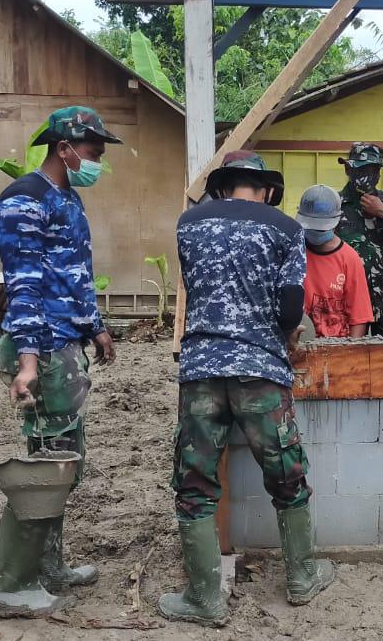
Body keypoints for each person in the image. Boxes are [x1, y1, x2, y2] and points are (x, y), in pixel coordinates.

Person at [160, 151, 334, 627]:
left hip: (200, 369)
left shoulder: (188, 223)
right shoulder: (285, 229)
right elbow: (290, 307)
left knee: (194, 484)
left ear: (222, 186)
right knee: (285, 473)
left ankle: (203, 598)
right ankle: (301, 578)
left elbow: (197, 288)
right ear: (266, 189)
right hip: (261, 370)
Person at [0, 105, 120, 618]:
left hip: (67, 340)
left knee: (64, 461)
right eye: (93, 150)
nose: (98, 159)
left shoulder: (68, 197)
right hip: (40, 345)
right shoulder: (24, 200)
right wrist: (27, 362)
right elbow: (23, 284)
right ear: (64, 149)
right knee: (42, 467)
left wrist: (97, 328)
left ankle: (49, 566)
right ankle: (12, 585)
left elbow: (74, 274)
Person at [336, 142, 383, 336]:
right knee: (347, 358)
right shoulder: (335, 203)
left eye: (374, 169)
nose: (368, 175)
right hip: (345, 301)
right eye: (362, 169)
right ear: (348, 169)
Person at [297, 184, 374, 338]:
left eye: (321, 228)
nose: (317, 232)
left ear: (337, 220)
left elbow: (359, 317)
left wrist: (351, 355)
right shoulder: (294, 252)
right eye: (312, 227)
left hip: (335, 348)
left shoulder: (349, 259)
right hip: (297, 347)